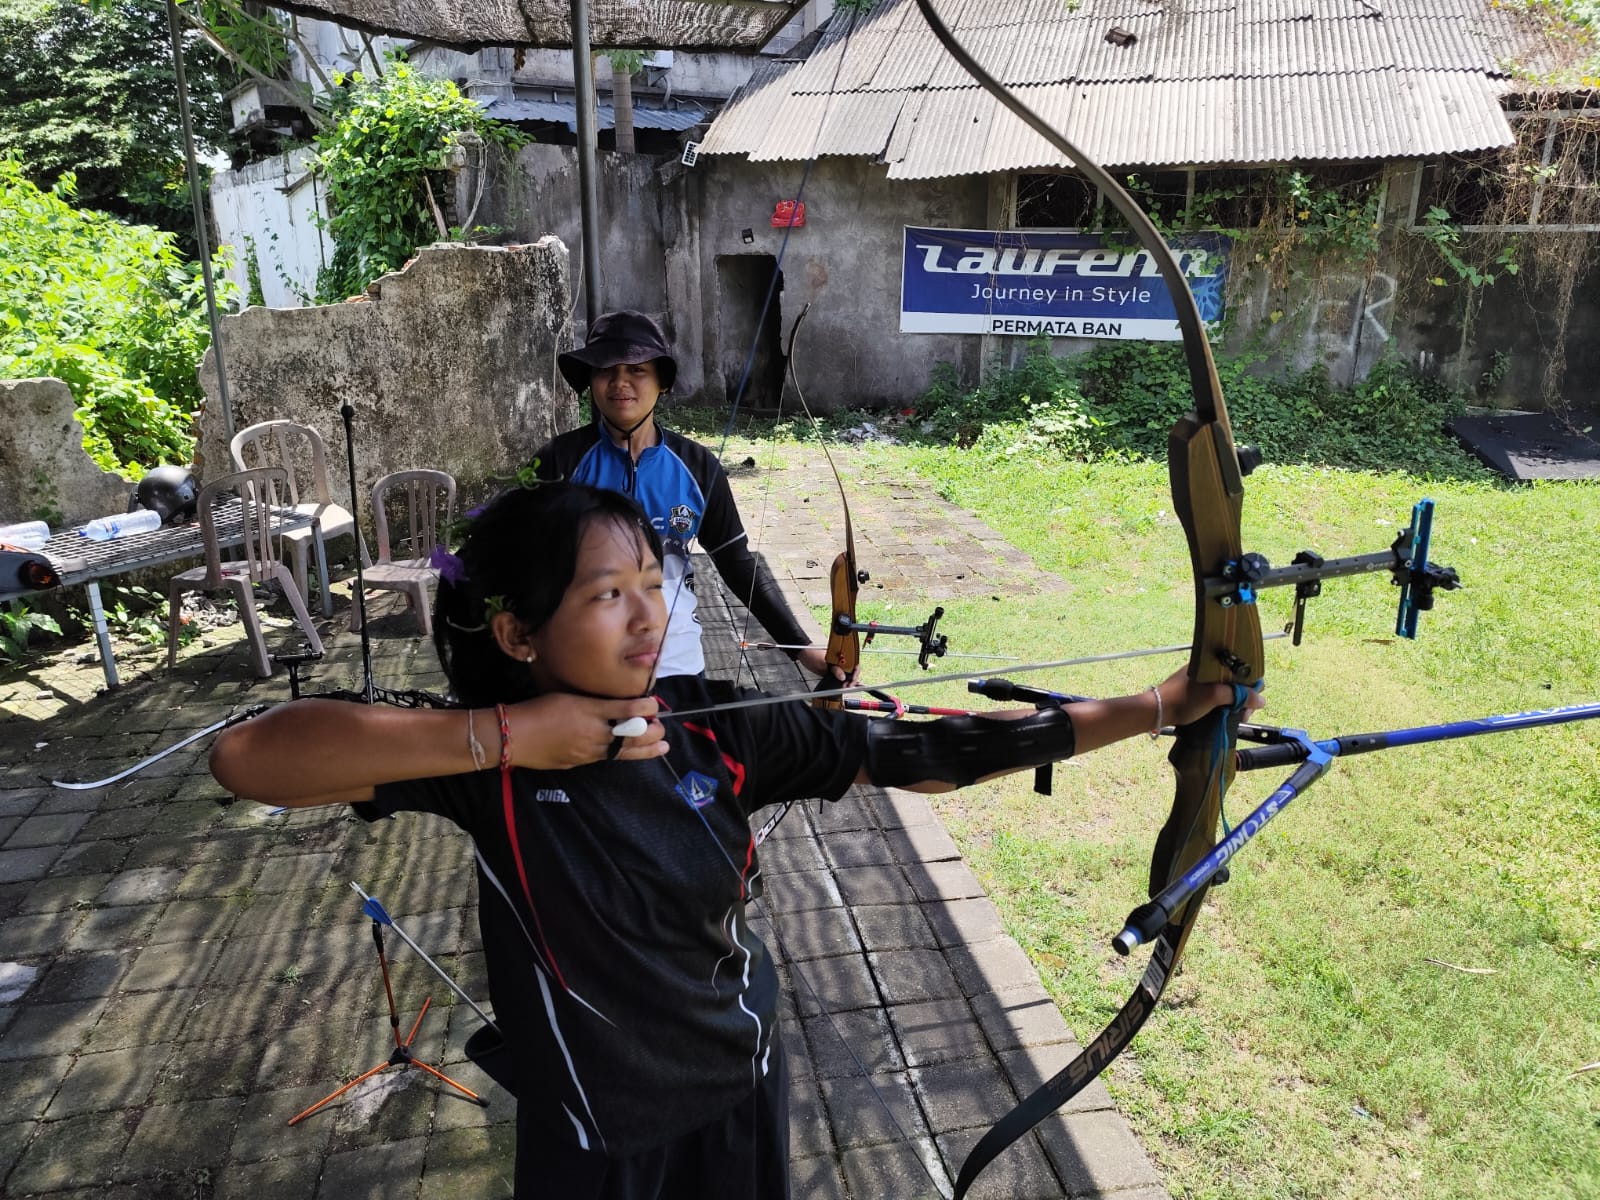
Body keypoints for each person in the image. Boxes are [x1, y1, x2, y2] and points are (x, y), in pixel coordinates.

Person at [209, 482, 1252, 1200]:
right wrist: (508, 736)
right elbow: (248, 759)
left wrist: (1155, 705)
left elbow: (916, 753)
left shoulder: (713, 726)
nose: (644, 615)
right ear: (520, 635)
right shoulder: (484, 773)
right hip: (599, 1128)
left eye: (651, 585)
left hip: (741, 1079)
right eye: (605, 594)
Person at [534, 309, 837, 682]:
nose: (619, 383)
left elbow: (736, 561)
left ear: (662, 381)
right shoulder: (559, 461)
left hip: (675, 661)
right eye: (605, 370)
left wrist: (800, 648)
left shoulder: (697, 465)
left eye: (637, 370)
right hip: (583, 661)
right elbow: (522, 558)